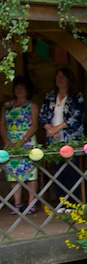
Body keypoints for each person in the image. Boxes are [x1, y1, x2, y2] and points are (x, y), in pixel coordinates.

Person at [39, 67, 86, 212]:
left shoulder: (77, 96)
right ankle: (61, 203)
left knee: (71, 171)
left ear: (69, 80)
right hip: (54, 139)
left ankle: (73, 204)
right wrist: (50, 129)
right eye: (57, 77)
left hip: (71, 139)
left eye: (63, 77)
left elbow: (77, 117)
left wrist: (57, 128)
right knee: (58, 172)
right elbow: (43, 115)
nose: (59, 80)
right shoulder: (50, 96)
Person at [1, 76, 40, 214]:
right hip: (11, 141)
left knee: (30, 172)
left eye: (22, 87)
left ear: (27, 90)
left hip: (27, 141)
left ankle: (31, 203)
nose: (19, 90)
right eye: (17, 87)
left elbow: (35, 126)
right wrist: (7, 142)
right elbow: (2, 125)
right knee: (13, 173)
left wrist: (21, 142)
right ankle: (17, 203)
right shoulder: (7, 105)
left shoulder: (32, 105)